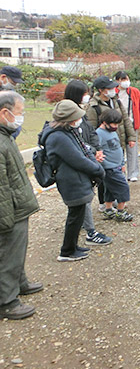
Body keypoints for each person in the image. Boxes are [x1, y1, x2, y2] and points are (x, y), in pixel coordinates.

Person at [42, 100, 105, 262]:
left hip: (77, 179)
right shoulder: (57, 137)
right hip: (71, 182)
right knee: (74, 217)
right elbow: (77, 159)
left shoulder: (67, 131)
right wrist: (97, 169)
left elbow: (84, 151)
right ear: (68, 118)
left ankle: (73, 246)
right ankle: (67, 251)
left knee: (77, 216)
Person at [0, 91, 42, 320]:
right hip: (10, 212)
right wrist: (5, 220)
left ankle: (19, 283)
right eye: (19, 113)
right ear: (5, 112)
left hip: (17, 207)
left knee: (17, 252)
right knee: (7, 255)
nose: (21, 117)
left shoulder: (6, 135)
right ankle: (7, 301)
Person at [63, 80, 112, 245]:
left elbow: (90, 133)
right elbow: (74, 142)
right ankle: (90, 232)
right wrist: (91, 153)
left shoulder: (80, 111)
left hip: (87, 155)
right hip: (78, 161)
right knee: (83, 197)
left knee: (85, 196)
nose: (87, 96)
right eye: (85, 93)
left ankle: (83, 225)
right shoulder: (66, 113)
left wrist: (97, 149)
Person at [85, 75, 136, 212]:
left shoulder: (116, 101)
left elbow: (125, 119)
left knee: (117, 170)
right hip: (103, 146)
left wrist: (131, 136)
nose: (113, 89)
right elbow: (91, 129)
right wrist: (96, 149)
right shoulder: (93, 107)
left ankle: (112, 201)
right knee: (104, 177)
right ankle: (104, 203)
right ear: (101, 90)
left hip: (116, 141)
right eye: (110, 88)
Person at [95, 109, 133, 222]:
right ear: (104, 122)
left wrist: (122, 163)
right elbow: (98, 151)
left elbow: (117, 148)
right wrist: (106, 165)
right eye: (113, 124)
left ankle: (108, 209)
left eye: (117, 124)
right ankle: (120, 212)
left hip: (117, 165)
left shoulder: (112, 131)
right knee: (123, 188)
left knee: (110, 189)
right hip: (109, 168)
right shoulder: (99, 134)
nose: (115, 126)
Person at [114, 71, 140, 182]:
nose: (126, 82)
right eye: (123, 79)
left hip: (132, 123)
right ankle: (120, 173)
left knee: (132, 149)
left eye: (127, 79)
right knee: (118, 150)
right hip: (117, 125)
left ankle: (133, 173)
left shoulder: (134, 92)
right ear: (117, 81)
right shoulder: (114, 93)